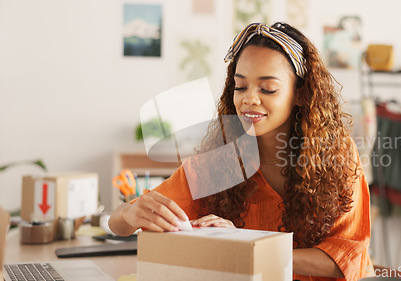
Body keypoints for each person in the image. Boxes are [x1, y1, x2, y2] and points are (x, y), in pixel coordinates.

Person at [109, 22, 371, 281]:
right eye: (241, 86)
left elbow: (345, 258)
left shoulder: (338, 156)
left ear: (301, 93)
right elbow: (118, 222)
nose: (249, 99)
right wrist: (131, 213)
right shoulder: (215, 164)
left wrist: (246, 245)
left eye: (267, 88)